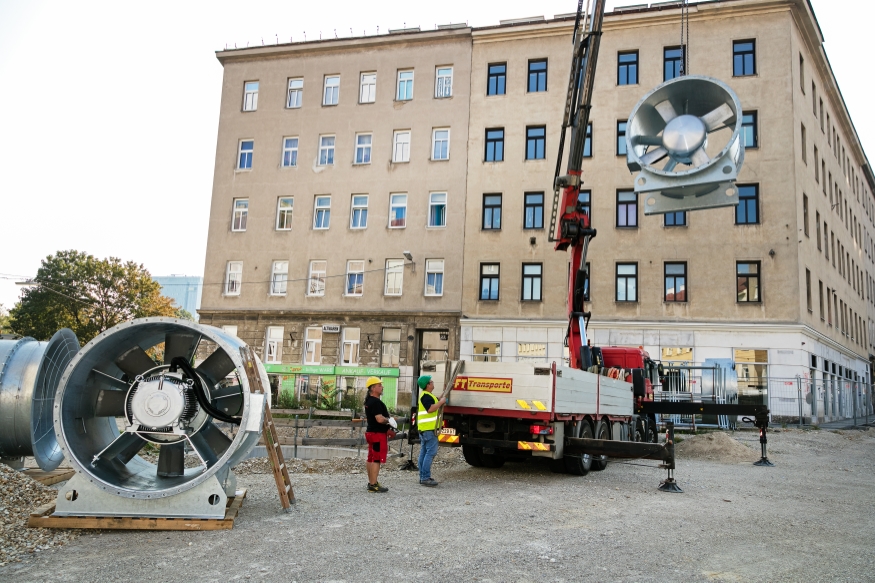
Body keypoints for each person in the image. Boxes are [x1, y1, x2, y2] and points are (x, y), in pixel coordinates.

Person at [363, 376, 396, 493]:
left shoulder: (369, 401)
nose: (382, 387)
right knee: (376, 459)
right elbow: (379, 419)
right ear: (373, 388)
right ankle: (373, 484)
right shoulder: (376, 402)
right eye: (379, 385)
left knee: (371, 457)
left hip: (371, 432)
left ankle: (371, 482)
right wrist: (389, 421)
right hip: (377, 434)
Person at [416, 375, 447, 487]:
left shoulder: (427, 395)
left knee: (424, 452)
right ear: (427, 385)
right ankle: (425, 477)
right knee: (430, 453)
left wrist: (442, 397)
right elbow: (430, 409)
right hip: (429, 429)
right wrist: (441, 402)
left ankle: (423, 476)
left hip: (425, 429)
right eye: (431, 381)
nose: (433, 383)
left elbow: (434, 401)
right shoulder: (426, 396)